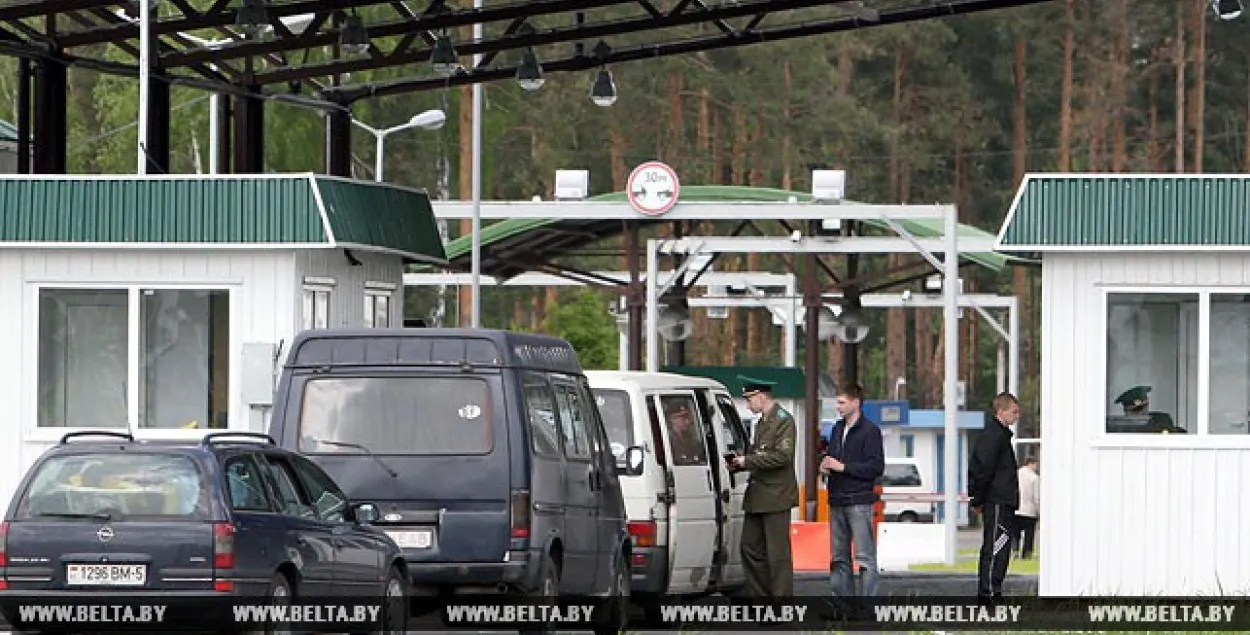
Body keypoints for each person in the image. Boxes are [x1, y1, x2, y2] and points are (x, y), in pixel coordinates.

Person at [729, 375, 798, 598]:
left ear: (761, 396)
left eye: (749, 400)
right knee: (749, 548)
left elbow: (782, 457)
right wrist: (738, 463)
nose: (748, 405)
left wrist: (747, 461)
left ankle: (780, 605)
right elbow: (757, 454)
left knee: (778, 556)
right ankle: (762, 599)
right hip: (758, 496)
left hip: (776, 497)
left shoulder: (783, 420)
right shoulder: (762, 423)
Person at [821, 382, 884, 605]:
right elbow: (833, 456)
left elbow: (876, 467)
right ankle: (841, 603)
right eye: (837, 402)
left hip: (858, 501)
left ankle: (868, 605)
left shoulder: (870, 432)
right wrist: (826, 466)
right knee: (839, 558)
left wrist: (844, 467)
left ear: (856, 403)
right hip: (837, 499)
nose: (838, 407)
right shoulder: (837, 429)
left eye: (842, 402)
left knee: (865, 557)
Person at [968, 392, 1022, 604]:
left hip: (1003, 500)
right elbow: (983, 470)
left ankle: (994, 589)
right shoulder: (993, 437)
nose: (1017, 416)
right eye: (1014, 412)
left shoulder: (1000, 437)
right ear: (1001, 411)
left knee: (1002, 546)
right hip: (996, 500)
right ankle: (988, 592)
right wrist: (978, 499)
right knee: (994, 546)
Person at [1112, 385, 1184, 433]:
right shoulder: (1121, 427)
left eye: (1144, 406)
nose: (1142, 412)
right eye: (1136, 410)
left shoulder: (1162, 420)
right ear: (1126, 412)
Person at [663, 399, 707, 465]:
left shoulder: (695, 443)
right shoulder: (667, 442)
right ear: (671, 419)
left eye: (688, 417)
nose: (688, 421)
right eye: (682, 418)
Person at [1014, 456, 1040, 560]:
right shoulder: (1034, 477)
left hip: (1016, 509)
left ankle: (1014, 550)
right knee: (1029, 534)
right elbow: (1036, 496)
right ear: (1031, 464)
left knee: (1015, 533)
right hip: (1029, 510)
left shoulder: (1016, 474)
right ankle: (1027, 553)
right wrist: (1039, 511)